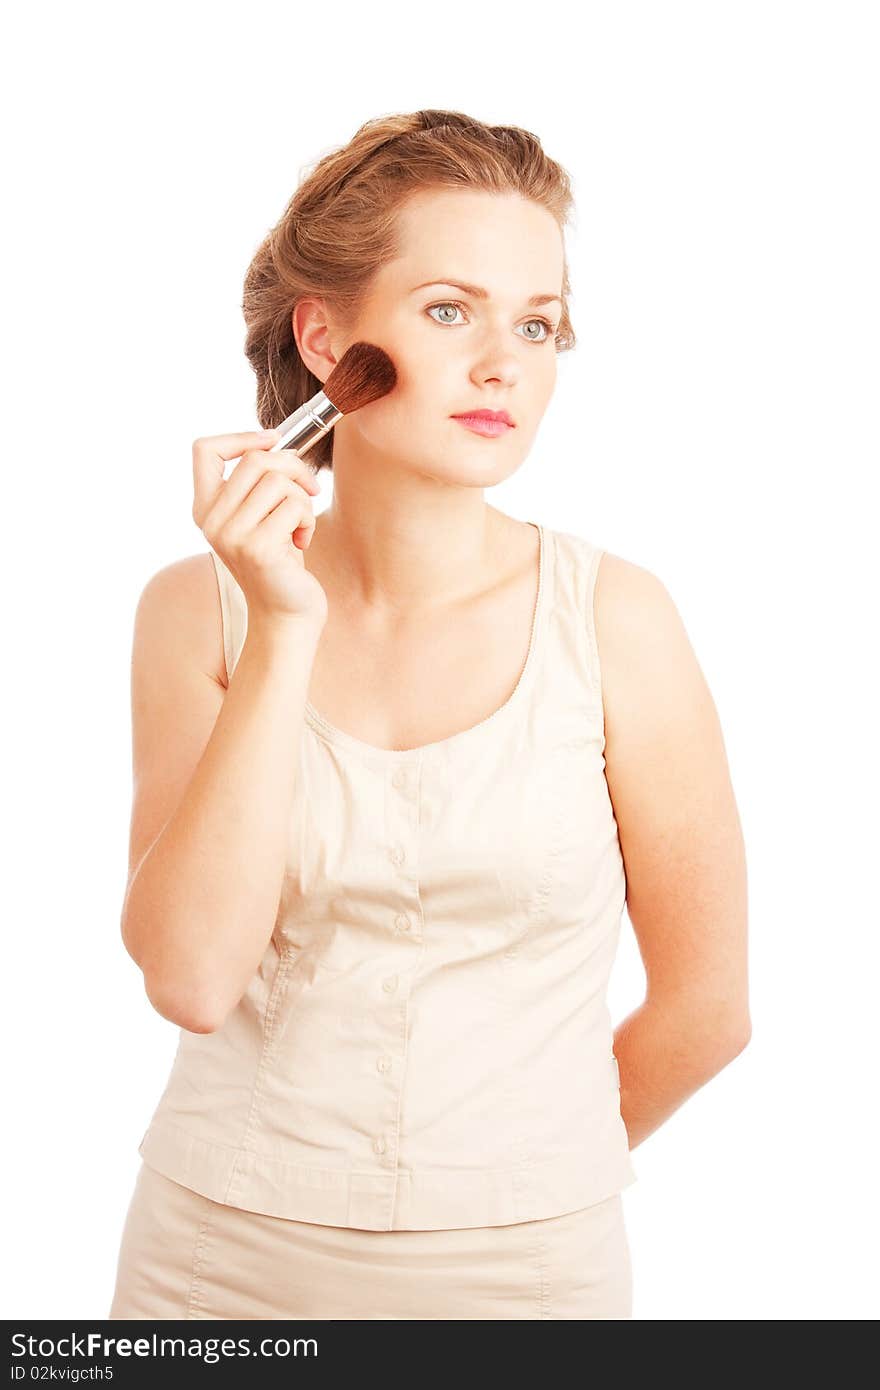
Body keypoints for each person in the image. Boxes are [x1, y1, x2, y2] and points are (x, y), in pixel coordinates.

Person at [108, 109, 751, 1321]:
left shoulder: (618, 619)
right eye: (450, 310)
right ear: (326, 335)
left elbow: (708, 1010)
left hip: (531, 1270)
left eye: (538, 323)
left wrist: (510, 1179)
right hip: (214, 1267)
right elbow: (192, 976)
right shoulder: (197, 614)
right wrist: (283, 624)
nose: (503, 361)